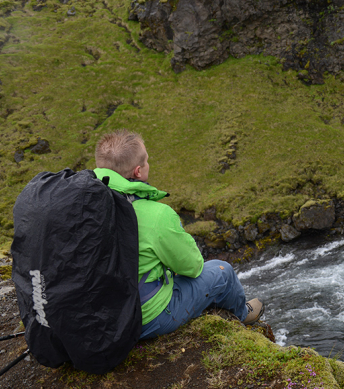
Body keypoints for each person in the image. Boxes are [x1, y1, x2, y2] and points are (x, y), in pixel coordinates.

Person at [93, 129, 263, 339]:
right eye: (146, 161)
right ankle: (244, 313)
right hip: (145, 319)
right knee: (222, 271)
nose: (149, 164)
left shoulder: (81, 205)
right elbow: (192, 267)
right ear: (138, 171)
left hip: (97, 316)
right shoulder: (157, 215)